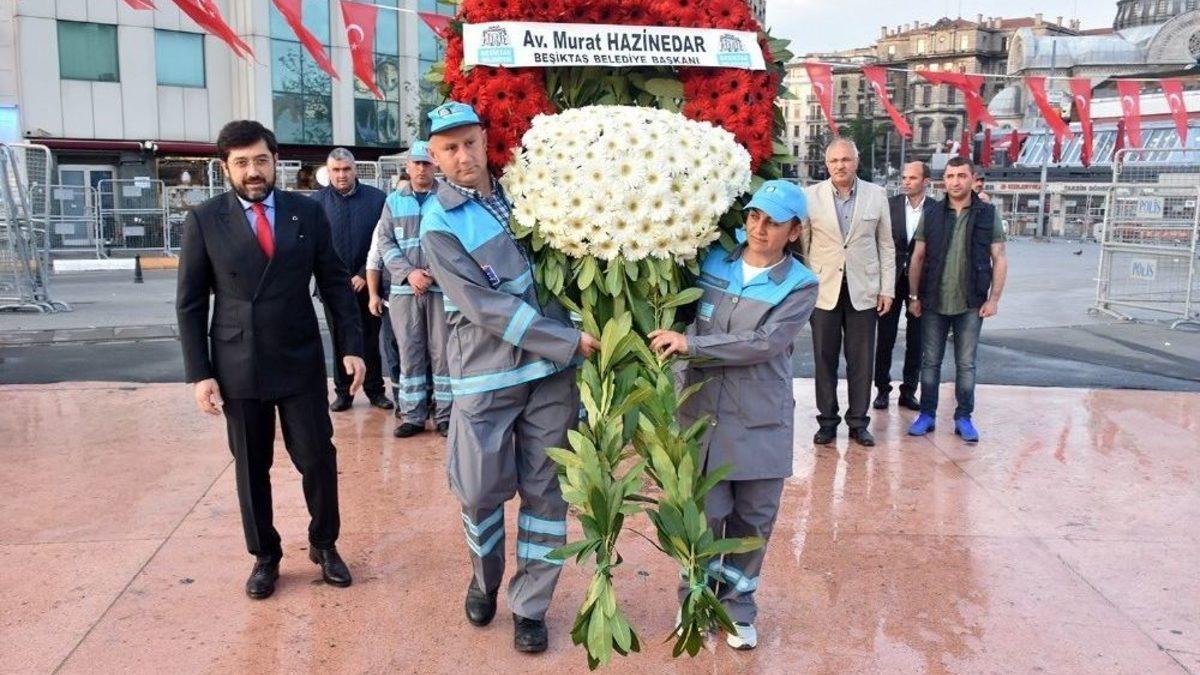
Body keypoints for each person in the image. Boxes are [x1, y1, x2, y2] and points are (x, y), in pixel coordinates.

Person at [418, 101, 600, 653]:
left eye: (470, 143)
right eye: (450, 148)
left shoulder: (527, 192)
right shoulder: (439, 224)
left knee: (546, 495)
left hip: (551, 376)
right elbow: (484, 306)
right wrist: (565, 340)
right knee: (478, 492)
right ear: (434, 157)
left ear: (485, 140)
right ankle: (485, 578)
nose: (463, 156)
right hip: (487, 376)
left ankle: (530, 607)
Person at [176, 120, 365, 600]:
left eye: (261, 160)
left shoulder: (307, 212)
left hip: (299, 357)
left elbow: (334, 283)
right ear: (225, 168)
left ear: (275, 160)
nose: (253, 171)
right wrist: (200, 373)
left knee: (317, 457)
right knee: (250, 465)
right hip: (237, 363)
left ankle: (324, 543)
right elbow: (191, 303)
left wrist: (351, 346)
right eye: (241, 163)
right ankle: (265, 555)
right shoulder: (205, 220)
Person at [649, 180, 817, 651]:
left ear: (794, 231)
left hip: (759, 418)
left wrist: (692, 345)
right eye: (754, 216)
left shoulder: (800, 284)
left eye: (774, 222)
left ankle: (739, 610)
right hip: (702, 414)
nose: (760, 229)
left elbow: (764, 343)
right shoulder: (711, 262)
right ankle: (695, 603)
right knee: (703, 516)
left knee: (752, 520)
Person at [799, 138, 895, 447]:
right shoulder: (810, 196)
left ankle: (858, 423)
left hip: (864, 290)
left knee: (861, 360)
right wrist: (805, 286)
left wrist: (887, 288)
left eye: (846, 159)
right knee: (824, 359)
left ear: (856, 161)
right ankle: (827, 421)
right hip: (823, 290)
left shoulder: (876, 195)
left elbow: (886, 245)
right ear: (826, 164)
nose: (840, 166)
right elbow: (804, 244)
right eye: (834, 161)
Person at [907, 157, 1009, 442]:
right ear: (944, 181)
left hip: (971, 303)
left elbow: (999, 258)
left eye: (961, 176)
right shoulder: (932, 213)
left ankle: (963, 417)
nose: (955, 182)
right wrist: (913, 296)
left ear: (972, 178)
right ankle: (926, 414)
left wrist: (994, 299)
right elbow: (917, 257)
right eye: (950, 176)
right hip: (933, 301)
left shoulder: (988, 214)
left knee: (966, 364)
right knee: (930, 362)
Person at [374, 141, 452, 438]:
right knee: (409, 353)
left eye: (426, 163)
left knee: (443, 354)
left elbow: (453, 241)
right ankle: (413, 416)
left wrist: (431, 273)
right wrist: (410, 274)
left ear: (435, 165)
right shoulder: (393, 201)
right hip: (405, 291)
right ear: (407, 166)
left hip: (439, 289)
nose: (421, 168)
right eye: (416, 163)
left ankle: (445, 416)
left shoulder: (446, 198)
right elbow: (385, 242)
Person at [314, 148, 393, 412]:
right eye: (336, 170)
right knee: (339, 339)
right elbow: (314, 247)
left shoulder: (377, 200)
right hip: (331, 288)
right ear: (328, 172)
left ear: (355, 169)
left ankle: (375, 391)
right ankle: (343, 394)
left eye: (346, 169)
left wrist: (362, 274)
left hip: (368, 283)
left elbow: (384, 241)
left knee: (370, 338)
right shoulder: (316, 203)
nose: (341, 175)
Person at [874, 161, 936, 412]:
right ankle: (882, 390)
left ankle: (909, 391)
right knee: (885, 337)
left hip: (921, 283)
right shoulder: (889, 206)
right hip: (890, 280)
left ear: (926, 182)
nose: (906, 182)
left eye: (912, 178)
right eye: (904, 177)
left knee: (916, 340)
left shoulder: (935, 209)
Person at [365, 233, 403, 418]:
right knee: (395, 353)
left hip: (427, 298)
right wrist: (373, 295)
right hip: (392, 300)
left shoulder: (431, 217)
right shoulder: (385, 222)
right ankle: (402, 403)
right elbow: (374, 260)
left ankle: (430, 402)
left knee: (430, 354)